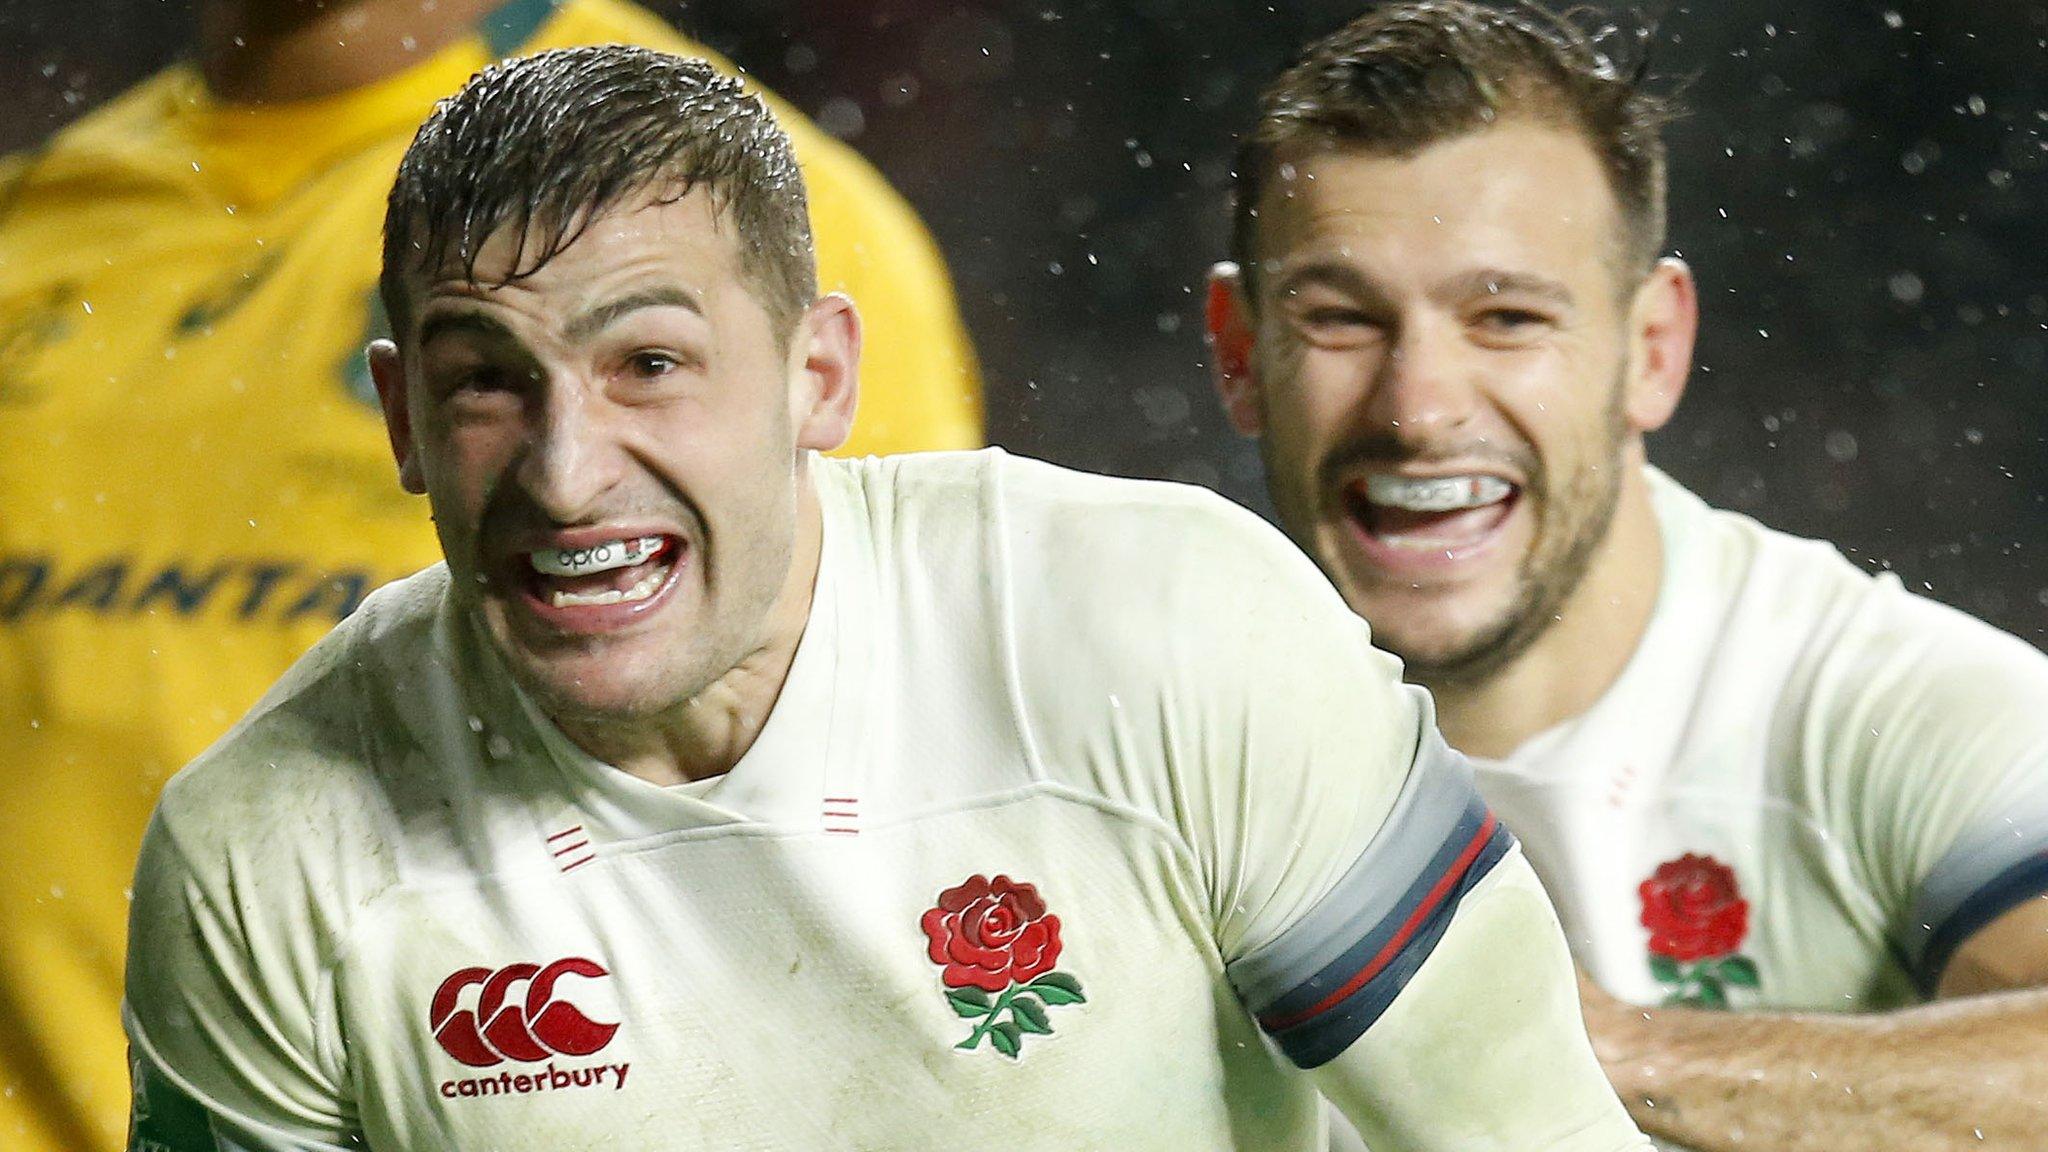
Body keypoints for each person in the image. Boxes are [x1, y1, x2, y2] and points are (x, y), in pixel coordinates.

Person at [123, 44, 1648, 1152]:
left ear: (819, 376)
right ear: (400, 418)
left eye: (650, 363)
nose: (569, 473)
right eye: (484, 386)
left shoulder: (1167, 637)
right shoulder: (269, 852)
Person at [0, 1, 981, 1147]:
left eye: (643, 368)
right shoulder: (39, 218)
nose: (565, 474)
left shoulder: (726, 206)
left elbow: (890, 819)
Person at [1204, 4, 2048, 1150]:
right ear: (1240, 354)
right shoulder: (1143, 725)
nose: (1417, 406)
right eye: (1339, 320)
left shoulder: (1878, 708)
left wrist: (1594, 1054)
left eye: (1504, 317)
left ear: (1648, 349)